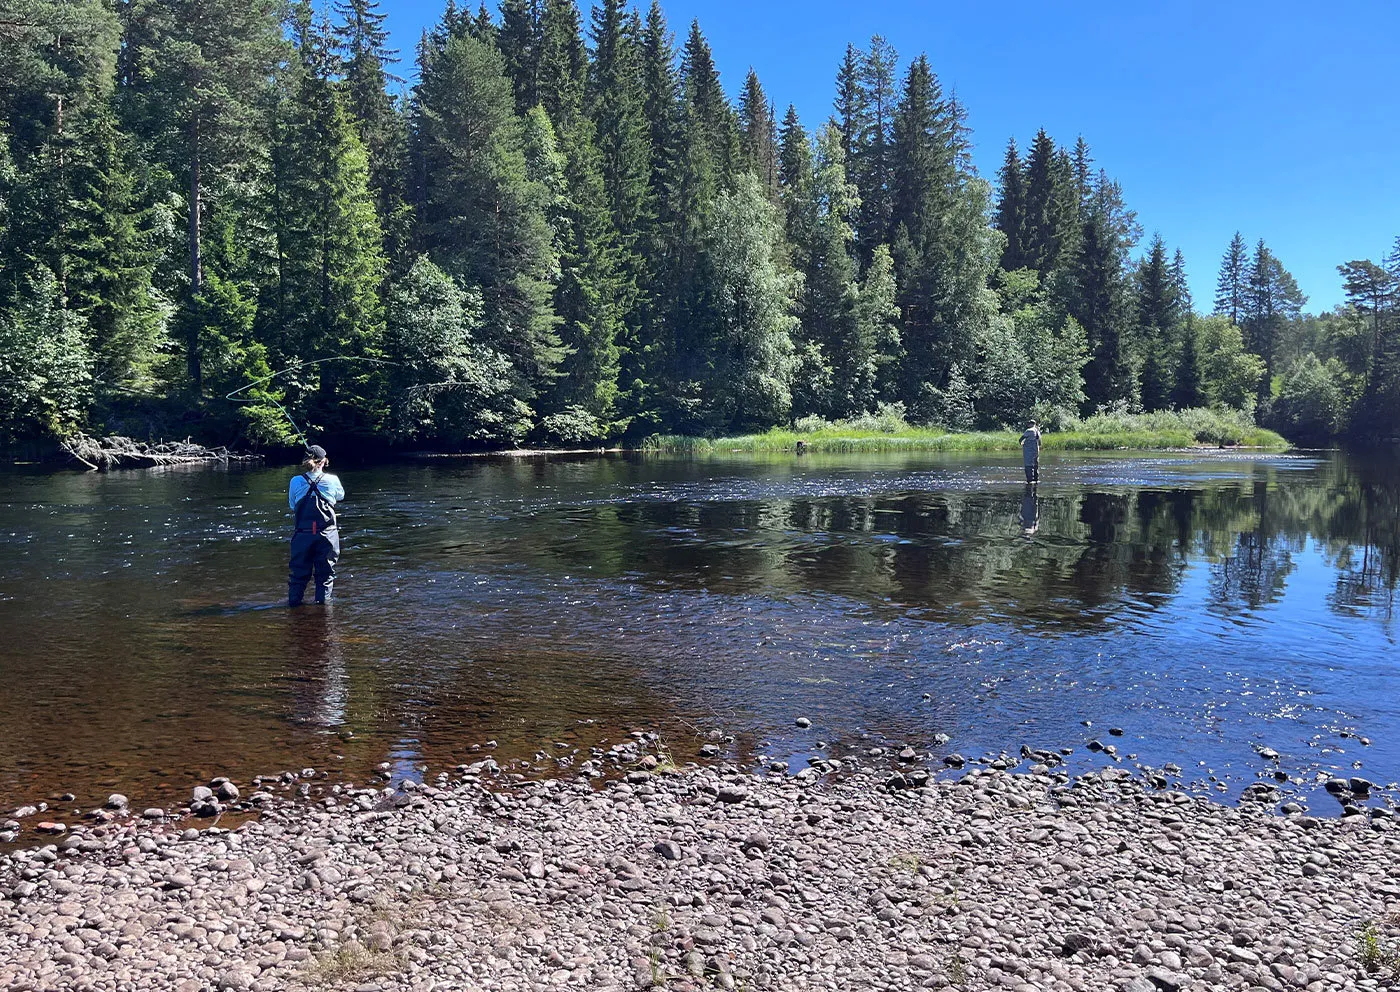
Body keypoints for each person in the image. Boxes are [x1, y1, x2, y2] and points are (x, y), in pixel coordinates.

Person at [288, 444, 345, 606]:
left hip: (302, 535)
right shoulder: (332, 479)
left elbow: (292, 505)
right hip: (327, 534)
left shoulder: (295, 481)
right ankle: (323, 610)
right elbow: (340, 496)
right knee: (325, 575)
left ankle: (293, 608)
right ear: (323, 461)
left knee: (298, 575)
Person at [1019, 419, 1041, 484]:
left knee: (1028, 466)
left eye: (1029, 423)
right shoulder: (1038, 431)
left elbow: (1020, 439)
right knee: (1035, 466)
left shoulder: (1029, 430)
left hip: (1028, 452)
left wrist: (1021, 443)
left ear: (1031, 424)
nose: (1028, 424)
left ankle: (1029, 481)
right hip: (1036, 452)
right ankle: (1036, 480)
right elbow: (1040, 443)